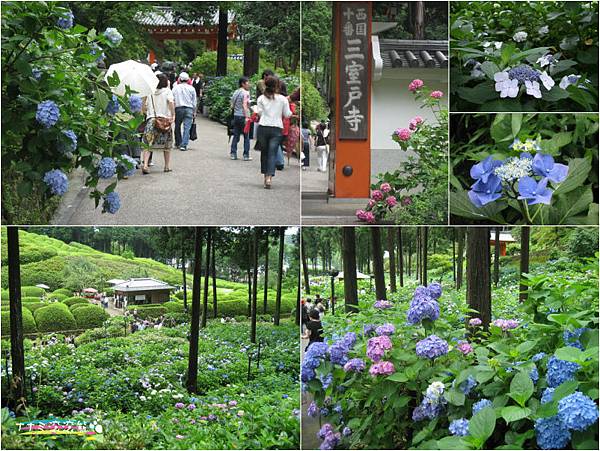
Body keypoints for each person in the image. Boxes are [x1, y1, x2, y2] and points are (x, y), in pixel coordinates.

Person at [256, 76, 292, 189]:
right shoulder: (282, 99)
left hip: (263, 127)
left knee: (265, 152)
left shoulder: (261, 98)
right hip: (277, 129)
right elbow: (287, 114)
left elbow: (259, 113)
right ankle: (269, 177)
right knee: (272, 153)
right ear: (277, 86)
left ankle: (265, 176)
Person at [141, 73, 175, 174]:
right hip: (164, 121)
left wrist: (146, 111)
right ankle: (166, 166)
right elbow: (171, 102)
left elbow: (143, 106)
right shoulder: (167, 91)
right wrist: (173, 115)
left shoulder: (149, 91)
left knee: (147, 144)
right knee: (167, 145)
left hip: (152, 120)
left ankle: (146, 165)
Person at [172, 71, 197, 151]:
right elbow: (194, 101)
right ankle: (184, 145)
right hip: (189, 109)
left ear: (180, 79)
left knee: (177, 126)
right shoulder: (192, 88)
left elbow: (172, 99)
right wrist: (194, 111)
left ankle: (178, 142)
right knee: (187, 128)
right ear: (188, 79)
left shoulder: (175, 88)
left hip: (178, 108)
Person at [230, 76, 251, 160]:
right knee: (246, 136)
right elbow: (245, 105)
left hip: (236, 115)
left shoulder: (236, 92)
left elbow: (232, 105)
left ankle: (233, 153)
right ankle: (246, 155)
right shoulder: (246, 93)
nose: (249, 84)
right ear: (243, 83)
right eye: (247, 82)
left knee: (236, 135)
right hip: (243, 116)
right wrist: (247, 116)